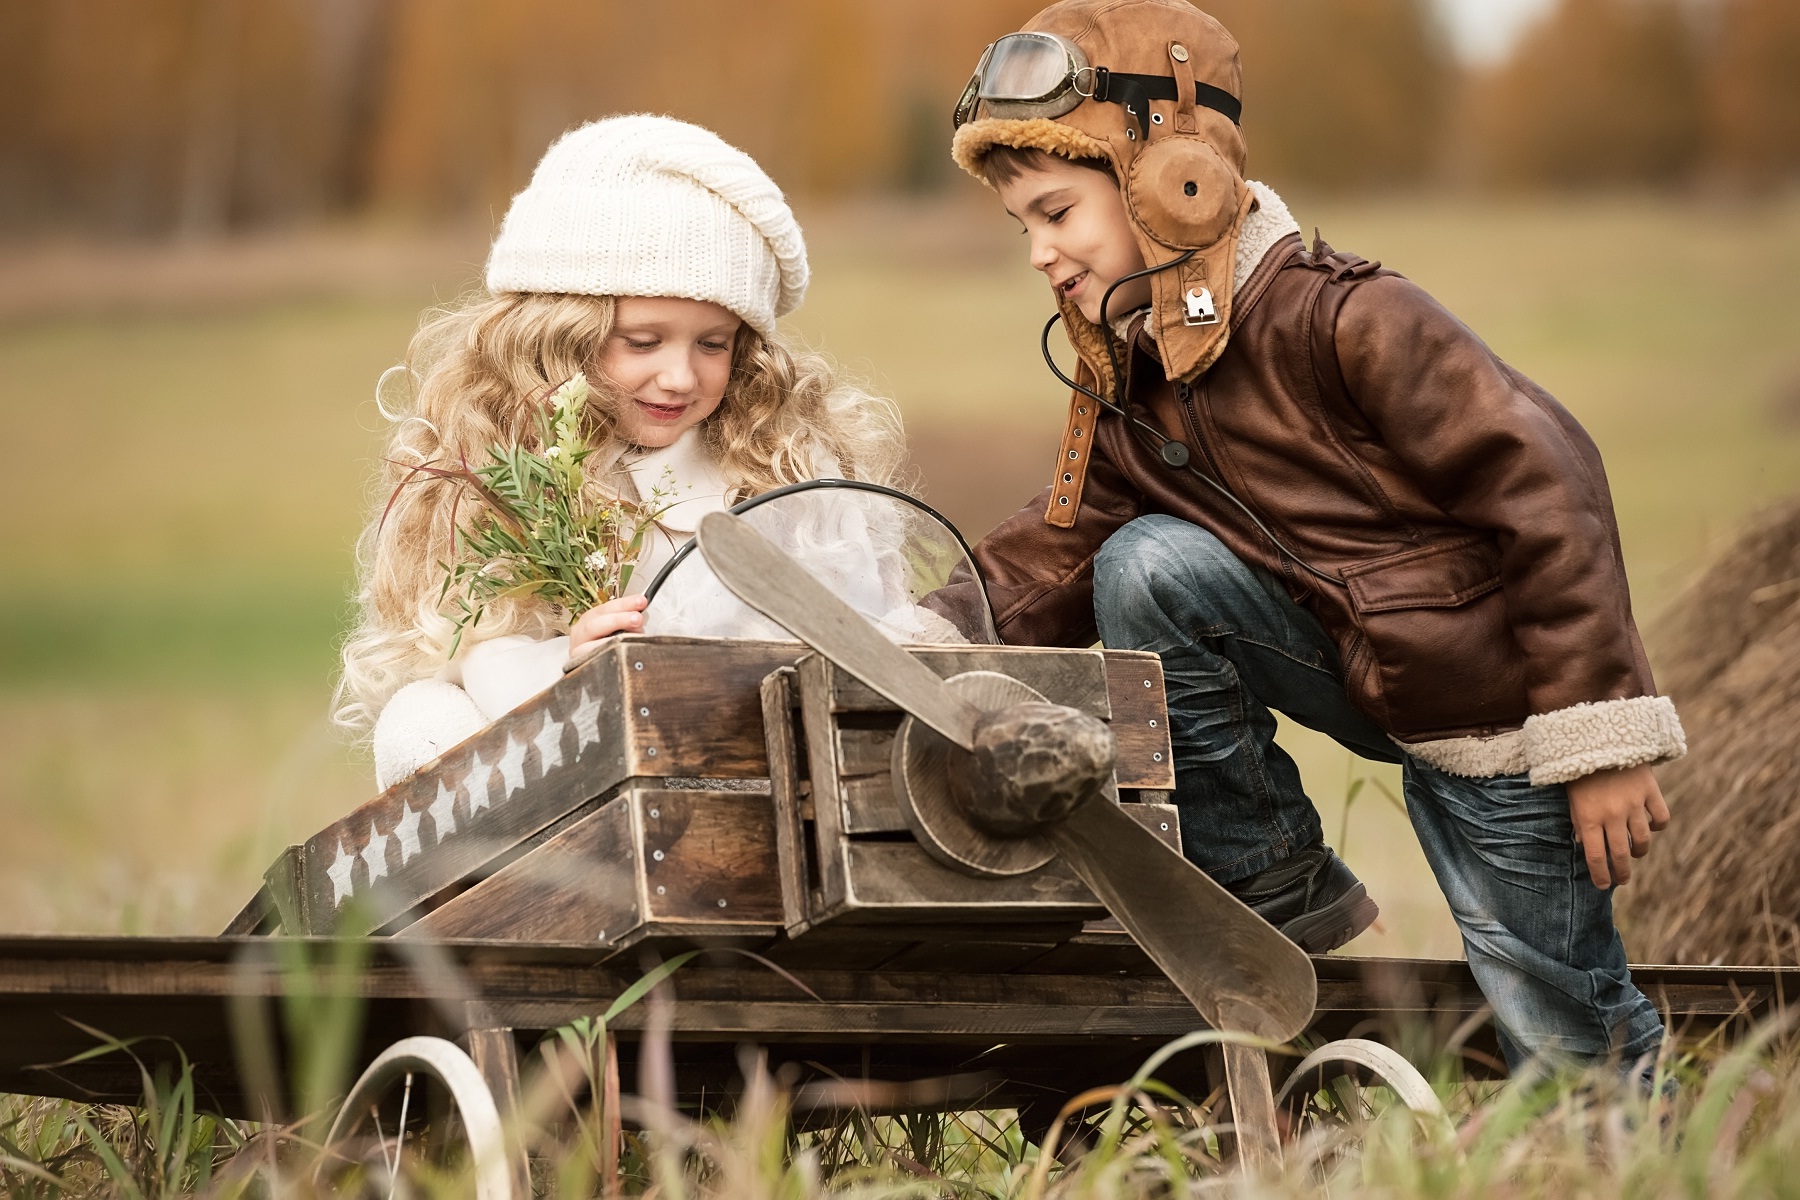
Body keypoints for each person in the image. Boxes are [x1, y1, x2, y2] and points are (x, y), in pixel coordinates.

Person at [945, 0, 1685, 1074]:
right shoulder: (1137, 378)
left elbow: (1546, 478)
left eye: (1057, 212)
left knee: (1561, 1021)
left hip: (1493, 708)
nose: (1039, 254)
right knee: (1144, 565)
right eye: (1024, 227)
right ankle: (1277, 882)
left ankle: (1630, 1143)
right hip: (1356, 662)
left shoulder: (1342, 316)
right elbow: (1054, 546)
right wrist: (915, 625)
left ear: (1175, 177)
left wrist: (1597, 726)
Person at [335, 114, 922, 790]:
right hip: (576, 773)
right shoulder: (511, 466)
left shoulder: (777, 468)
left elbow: (855, 623)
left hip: (762, 764)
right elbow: (474, 648)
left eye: (713, 344)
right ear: (562, 336)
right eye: (642, 342)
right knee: (420, 716)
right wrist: (567, 662)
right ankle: (536, 887)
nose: (679, 376)